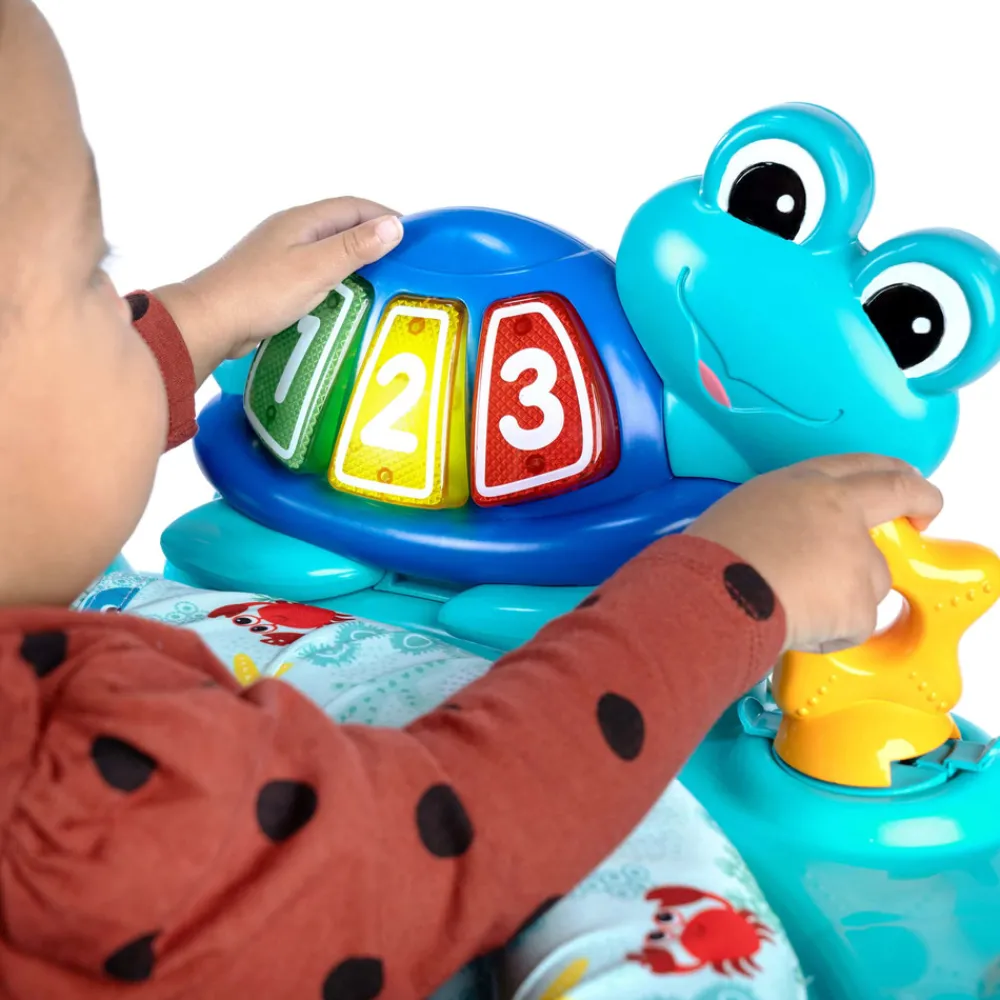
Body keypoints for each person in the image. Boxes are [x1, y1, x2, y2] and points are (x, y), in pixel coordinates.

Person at [0, 1, 943, 997]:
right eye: (95, 278)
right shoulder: (77, 800)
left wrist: (196, 322)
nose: (132, 310)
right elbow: (439, 835)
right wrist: (727, 592)